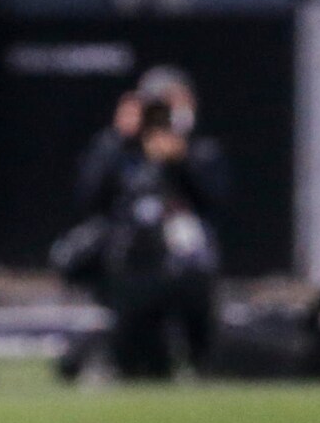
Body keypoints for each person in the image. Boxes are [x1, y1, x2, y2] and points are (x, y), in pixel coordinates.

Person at [58, 66, 230, 381]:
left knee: (199, 327)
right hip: (132, 265)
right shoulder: (119, 151)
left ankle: (201, 362)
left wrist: (181, 161)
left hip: (187, 267)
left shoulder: (200, 150)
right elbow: (89, 199)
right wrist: (119, 139)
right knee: (142, 362)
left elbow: (215, 201)